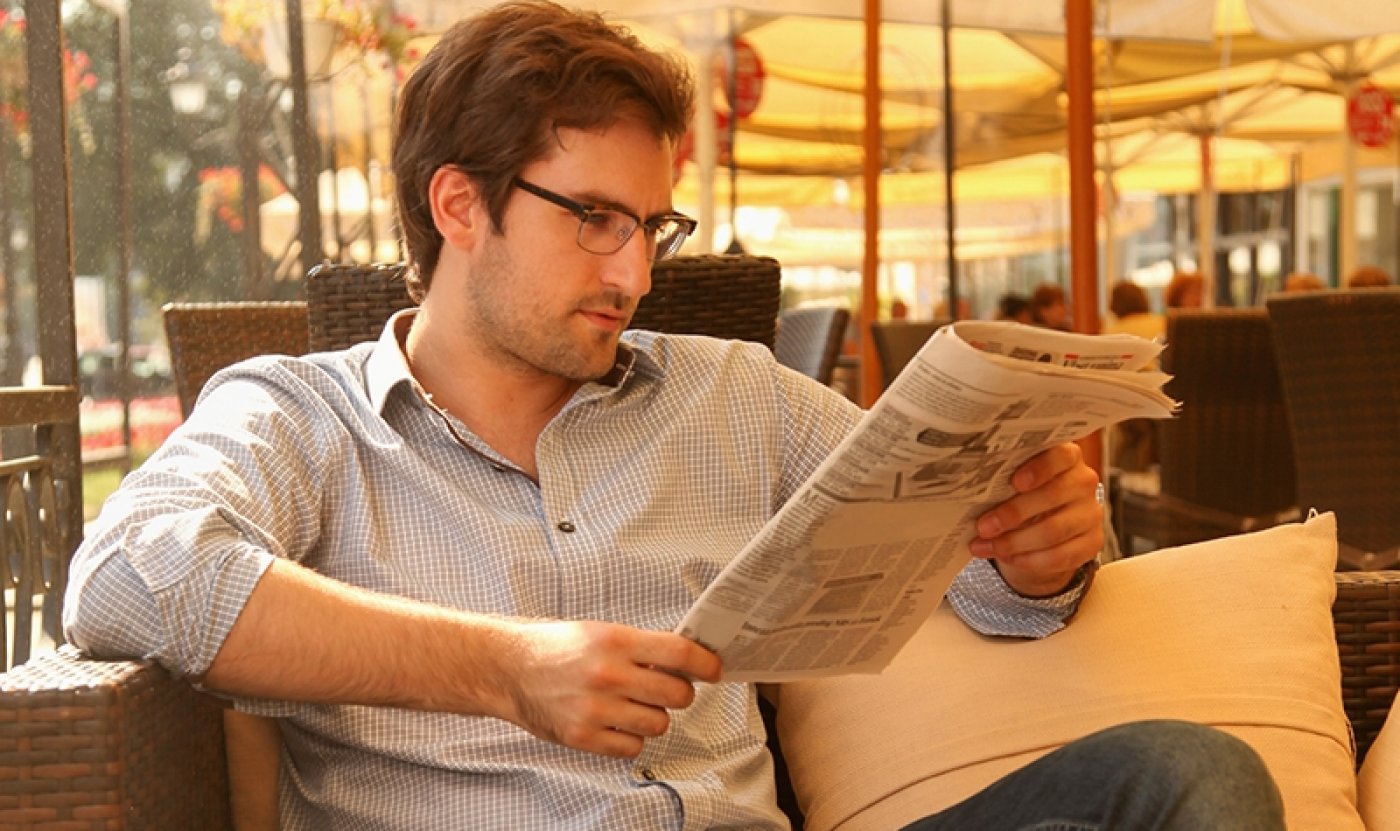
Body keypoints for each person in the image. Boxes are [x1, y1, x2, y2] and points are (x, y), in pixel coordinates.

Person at [63, 3, 1283, 829]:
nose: (633, 272)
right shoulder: (300, 418)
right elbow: (131, 575)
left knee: (1183, 775)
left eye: (651, 226)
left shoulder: (736, 398)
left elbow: (983, 591)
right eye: (593, 219)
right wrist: (505, 671)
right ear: (458, 205)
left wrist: (1037, 552)